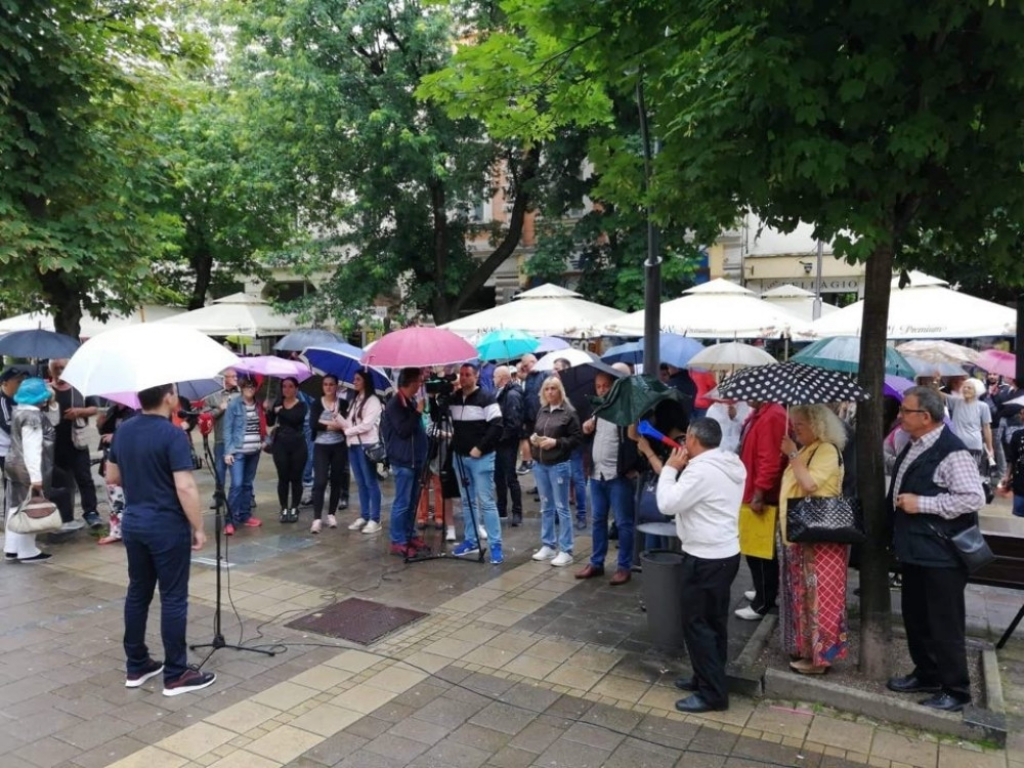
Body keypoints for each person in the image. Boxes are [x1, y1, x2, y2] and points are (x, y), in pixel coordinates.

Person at [107, 383, 215, 696]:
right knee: (173, 597)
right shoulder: (173, 434)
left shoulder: (124, 430)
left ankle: (137, 663)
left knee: (138, 592)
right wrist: (198, 526)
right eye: (175, 390)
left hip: (135, 522)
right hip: (167, 525)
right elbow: (186, 487)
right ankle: (176, 674)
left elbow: (112, 477)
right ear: (168, 396)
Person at [887, 386, 985, 713]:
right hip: (917, 549)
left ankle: (956, 690)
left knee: (945, 624)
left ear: (925, 417)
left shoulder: (952, 451)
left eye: (905, 411)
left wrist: (922, 503)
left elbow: (973, 498)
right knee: (916, 618)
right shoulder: (915, 443)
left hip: (942, 554)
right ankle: (927, 673)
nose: (900, 416)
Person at [656, 418, 746, 714]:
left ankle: (713, 694)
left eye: (686, 437)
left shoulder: (702, 471)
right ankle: (707, 676)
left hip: (706, 556)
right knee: (714, 622)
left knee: (698, 625)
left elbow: (668, 504)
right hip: (725, 552)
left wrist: (671, 469)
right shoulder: (729, 462)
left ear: (693, 438)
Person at [777, 405, 850, 675]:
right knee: (804, 597)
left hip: (820, 539)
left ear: (818, 426)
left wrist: (792, 455)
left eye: (801, 426)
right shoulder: (809, 449)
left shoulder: (827, 450)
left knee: (821, 599)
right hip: (802, 535)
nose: (796, 430)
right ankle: (808, 651)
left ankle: (821, 659)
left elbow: (809, 485)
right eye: (794, 426)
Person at [576, 371, 637, 585]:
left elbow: (636, 441)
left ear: (615, 387)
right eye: (598, 386)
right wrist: (586, 428)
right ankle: (596, 562)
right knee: (598, 520)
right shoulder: (597, 409)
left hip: (618, 475)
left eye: (606, 386)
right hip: (596, 474)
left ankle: (624, 566)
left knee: (623, 522)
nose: (601, 390)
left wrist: (634, 466)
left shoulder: (626, 411)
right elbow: (588, 439)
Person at [4, 378, 71, 562]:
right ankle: (27, 551)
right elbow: (32, 447)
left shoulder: (19, 412)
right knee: (31, 507)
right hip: (29, 469)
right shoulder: (33, 417)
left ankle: (12, 548)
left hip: (14, 465)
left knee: (16, 506)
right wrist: (36, 478)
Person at [735, 399, 788, 621]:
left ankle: (763, 602)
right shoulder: (761, 414)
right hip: (752, 489)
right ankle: (762, 591)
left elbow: (770, 459)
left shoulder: (772, 416)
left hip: (761, 494)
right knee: (755, 547)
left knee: (760, 551)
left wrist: (760, 492)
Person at [450, 363, 504, 563]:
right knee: (467, 501)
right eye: (461, 375)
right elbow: (440, 416)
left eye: (467, 375)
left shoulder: (487, 398)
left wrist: (480, 447)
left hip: (481, 458)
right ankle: (471, 540)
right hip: (460, 458)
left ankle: (495, 545)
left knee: (486, 501)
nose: (463, 378)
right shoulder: (454, 399)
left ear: (476, 376)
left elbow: (497, 426)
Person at [529, 376, 583, 567]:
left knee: (562, 507)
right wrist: (535, 439)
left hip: (558, 463)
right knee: (546, 506)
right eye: (547, 389)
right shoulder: (543, 410)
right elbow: (539, 429)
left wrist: (557, 442)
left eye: (553, 388)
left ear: (560, 391)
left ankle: (566, 549)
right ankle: (548, 544)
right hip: (540, 463)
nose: (550, 392)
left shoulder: (568, 413)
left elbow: (577, 438)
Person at [48, 358, 101, 530]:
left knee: (84, 479)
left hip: (78, 443)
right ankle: (63, 515)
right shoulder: (46, 390)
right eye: (56, 368)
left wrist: (80, 411)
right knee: (57, 483)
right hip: (53, 446)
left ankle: (91, 512)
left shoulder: (81, 388)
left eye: (63, 367)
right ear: (50, 371)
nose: (59, 371)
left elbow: (94, 409)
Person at [382, 367, 428, 555]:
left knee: (412, 501)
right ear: (410, 382)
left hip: (415, 459)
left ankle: (410, 534)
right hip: (403, 460)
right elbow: (403, 430)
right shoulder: (395, 404)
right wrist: (417, 412)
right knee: (402, 502)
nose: (420, 385)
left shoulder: (408, 401)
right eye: (418, 381)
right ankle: (398, 539)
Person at [340, 370, 383, 534]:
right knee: (360, 482)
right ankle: (364, 515)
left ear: (365, 381)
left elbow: (366, 425)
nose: (354, 381)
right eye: (354, 378)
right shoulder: (355, 399)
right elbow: (348, 424)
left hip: (367, 446)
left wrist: (348, 431)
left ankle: (375, 518)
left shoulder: (373, 401)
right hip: (353, 446)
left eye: (358, 379)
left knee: (371, 482)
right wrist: (336, 414)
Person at [223, 378, 266, 535]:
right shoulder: (234, 404)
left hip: (254, 450)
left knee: (248, 484)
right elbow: (227, 429)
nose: (250, 389)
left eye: (253, 386)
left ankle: (245, 515)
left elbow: (261, 426)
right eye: (247, 386)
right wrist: (228, 452)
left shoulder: (259, 404)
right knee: (237, 484)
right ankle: (229, 520)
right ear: (241, 388)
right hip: (238, 450)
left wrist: (264, 441)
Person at [308, 374, 350, 533]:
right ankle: (317, 518)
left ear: (337, 386)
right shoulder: (316, 404)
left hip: (339, 446)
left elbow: (346, 424)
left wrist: (325, 423)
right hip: (321, 446)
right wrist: (333, 424)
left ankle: (331, 513)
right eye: (325, 384)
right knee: (320, 481)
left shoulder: (344, 404)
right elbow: (313, 424)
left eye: (331, 384)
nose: (328, 387)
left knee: (336, 480)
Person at [265, 377, 309, 524]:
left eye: (291, 387)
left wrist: (280, 411)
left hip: (298, 444)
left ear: (296, 389)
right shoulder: (278, 404)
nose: (287, 389)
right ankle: (284, 507)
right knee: (283, 477)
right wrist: (269, 410)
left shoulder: (302, 405)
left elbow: (294, 418)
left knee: (296, 478)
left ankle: (295, 507)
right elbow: (270, 422)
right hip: (281, 444)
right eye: (284, 386)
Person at [552, 358, 588, 530]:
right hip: (557, 442)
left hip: (573, 442)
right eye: (554, 369)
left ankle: (581, 514)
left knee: (577, 477)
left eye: (558, 369)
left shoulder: (575, 391)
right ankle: (561, 513)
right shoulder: (553, 391)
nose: (554, 372)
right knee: (559, 478)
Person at [96, 401, 138, 544]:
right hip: (111, 459)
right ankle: (116, 531)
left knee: (130, 495)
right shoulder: (112, 411)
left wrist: (116, 436)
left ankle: (129, 529)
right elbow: (103, 434)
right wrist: (100, 424)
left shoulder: (135, 412)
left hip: (128, 460)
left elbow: (136, 434)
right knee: (114, 495)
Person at [202, 368, 240, 508]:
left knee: (239, 471)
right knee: (219, 470)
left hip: (238, 440)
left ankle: (246, 496)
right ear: (225, 378)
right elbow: (206, 416)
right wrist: (220, 409)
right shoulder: (213, 395)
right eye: (233, 376)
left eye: (236, 376)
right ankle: (219, 496)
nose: (236, 379)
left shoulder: (241, 393)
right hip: (221, 439)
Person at [493, 365, 524, 526]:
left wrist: (500, 436)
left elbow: (513, 422)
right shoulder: (501, 393)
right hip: (499, 441)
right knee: (498, 476)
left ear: (502, 378)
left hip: (508, 441)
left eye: (495, 377)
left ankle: (517, 512)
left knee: (510, 476)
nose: (493, 380)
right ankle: (502, 508)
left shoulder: (511, 395)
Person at [946, 379, 994, 477]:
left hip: (974, 446)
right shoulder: (955, 401)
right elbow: (937, 393)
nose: (966, 389)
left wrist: (990, 448)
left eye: (969, 388)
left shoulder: (983, 406)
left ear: (976, 390)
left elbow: (986, 428)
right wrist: (935, 381)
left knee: (972, 474)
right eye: (964, 387)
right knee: (955, 473)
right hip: (956, 444)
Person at [518, 354, 543, 474]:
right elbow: (527, 397)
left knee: (542, 451)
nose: (524, 368)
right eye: (523, 367)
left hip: (542, 418)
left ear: (534, 361)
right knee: (535, 452)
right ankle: (538, 483)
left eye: (525, 366)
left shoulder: (545, 374)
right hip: (530, 418)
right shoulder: (529, 377)